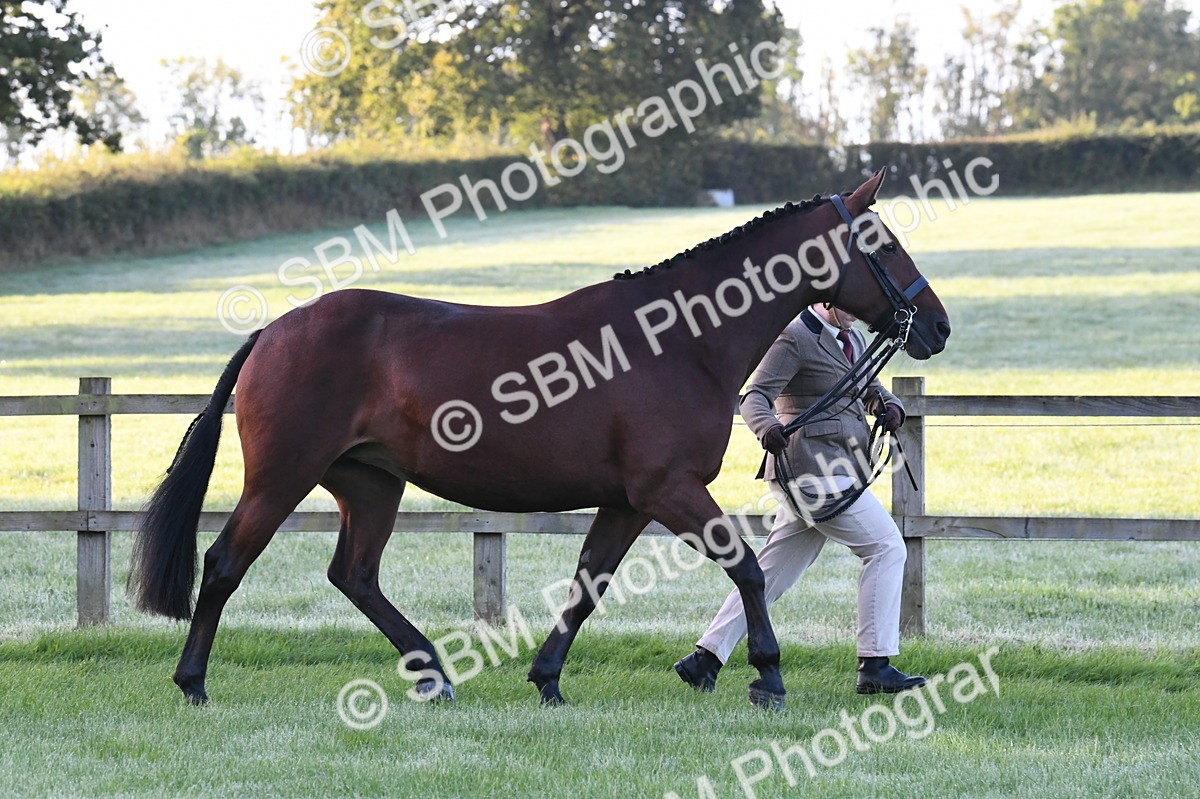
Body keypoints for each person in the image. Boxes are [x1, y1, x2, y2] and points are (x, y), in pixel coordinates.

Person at [675, 302, 926, 695]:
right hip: (812, 473)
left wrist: (889, 405)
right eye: (850, 306)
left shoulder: (853, 338)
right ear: (825, 300)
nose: (859, 314)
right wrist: (766, 428)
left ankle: (705, 659)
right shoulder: (793, 337)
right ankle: (875, 664)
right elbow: (754, 396)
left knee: (771, 574)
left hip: (840, 468)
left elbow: (869, 386)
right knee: (886, 547)